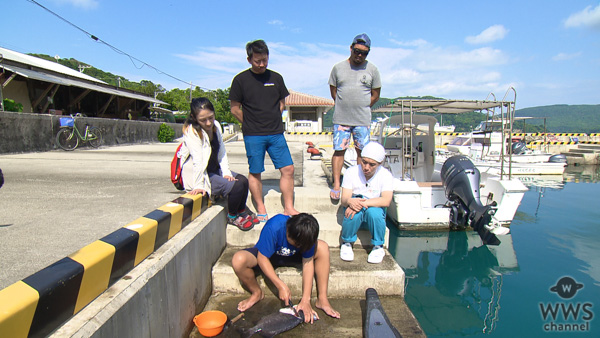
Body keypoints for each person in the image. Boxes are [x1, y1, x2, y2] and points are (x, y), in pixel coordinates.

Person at [229, 39, 299, 222]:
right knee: (256, 171)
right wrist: (250, 122)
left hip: (276, 133)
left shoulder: (276, 78)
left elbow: (282, 102)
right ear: (249, 59)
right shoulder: (240, 80)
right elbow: (235, 108)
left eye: (265, 60)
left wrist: (273, 117)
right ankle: (261, 208)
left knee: (288, 169)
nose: (261, 64)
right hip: (253, 135)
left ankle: (289, 207)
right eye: (257, 61)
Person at [231, 213, 340, 323]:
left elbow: (307, 262)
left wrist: (306, 300)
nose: (298, 245)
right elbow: (262, 258)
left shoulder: (308, 235)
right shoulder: (274, 226)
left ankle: (322, 299)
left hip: (294, 256)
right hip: (270, 256)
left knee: (323, 247)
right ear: (288, 231)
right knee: (238, 260)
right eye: (296, 243)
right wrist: (280, 285)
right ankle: (256, 293)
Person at [180, 97, 258, 231]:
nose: (208, 122)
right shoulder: (192, 131)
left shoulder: (216, 126)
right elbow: (198, 161)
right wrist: (199, 185)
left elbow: (221, 151)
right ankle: (232, 216)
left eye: (211, 117)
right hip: (201, 173)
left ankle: (240, 210)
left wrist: (227, 173)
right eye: (203, 120)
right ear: (194, 118)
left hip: (215, 169)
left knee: (243, 181)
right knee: (236, 187)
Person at [328, 33, 382, 201]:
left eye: (364, 53)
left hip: (362, 120)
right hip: (341, 119)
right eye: (357, 51)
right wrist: (345, 105)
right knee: (339, 151)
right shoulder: (338, 68)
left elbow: (376, 94)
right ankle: (337, 183)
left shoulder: (372, 69)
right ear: (351, 48)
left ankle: (358, 185)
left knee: (362, 153)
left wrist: (363, 106)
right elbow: (334, 91)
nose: (359, 55)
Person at [339, 142, 392, 264]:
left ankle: (378, 246)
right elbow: (344, 199)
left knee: (375, 214)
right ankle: (347, 242)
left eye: (372, 164)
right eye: (364, 162)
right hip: (356, 201)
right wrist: (350, 201)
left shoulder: (385, 175)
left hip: (372, 205)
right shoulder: (351, 172)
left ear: (379, 164)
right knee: (352, 212)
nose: (366, 167)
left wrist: (362, 203)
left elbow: (386, 200)